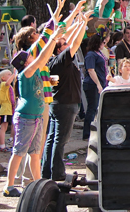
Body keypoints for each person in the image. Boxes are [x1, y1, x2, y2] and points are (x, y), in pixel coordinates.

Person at [3, 28, 64, 197]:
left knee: (35, 153)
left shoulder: (34, 69)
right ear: (25, 62)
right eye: (29, 56)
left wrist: (54, 38)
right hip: (26, 117)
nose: (32, 56)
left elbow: (43, 59)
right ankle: (9, 185)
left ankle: (38, 185)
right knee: (19, 151)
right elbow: (42, 57)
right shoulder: (26, 72)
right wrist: (52, 38)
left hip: (36, 116)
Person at [42, 11, 87, 181]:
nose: (67, 44)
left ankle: (47, 171)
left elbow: (69, 37)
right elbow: (76, 41)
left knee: (52, 140)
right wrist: (83, 24)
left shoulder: (53, 61)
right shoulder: (62, 59)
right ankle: (57, 173)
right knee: (60, 142)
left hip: (57, 103)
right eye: (64, 43)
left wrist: (77, 21)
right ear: (60, 49)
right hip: (66, 105)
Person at [82, 33, 108, 140]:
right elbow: (91, 70)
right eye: (103, 42)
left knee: (96, 108)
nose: (104, 44)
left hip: (100, 83)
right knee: (92, 108)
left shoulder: (99, 53)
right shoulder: (91, 55)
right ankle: (87, 133)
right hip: (92, 84)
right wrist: (98, 84)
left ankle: (93, 130)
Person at [0, 69, 16, 152]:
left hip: (8, 109)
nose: (10, 75)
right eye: (8, 74)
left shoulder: (9, 86)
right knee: (3, 128)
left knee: (3, 127)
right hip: (6, 109)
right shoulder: (4, 84)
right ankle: (2, 146)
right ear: (3, 78)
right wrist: (14, 74)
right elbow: (8, 83)